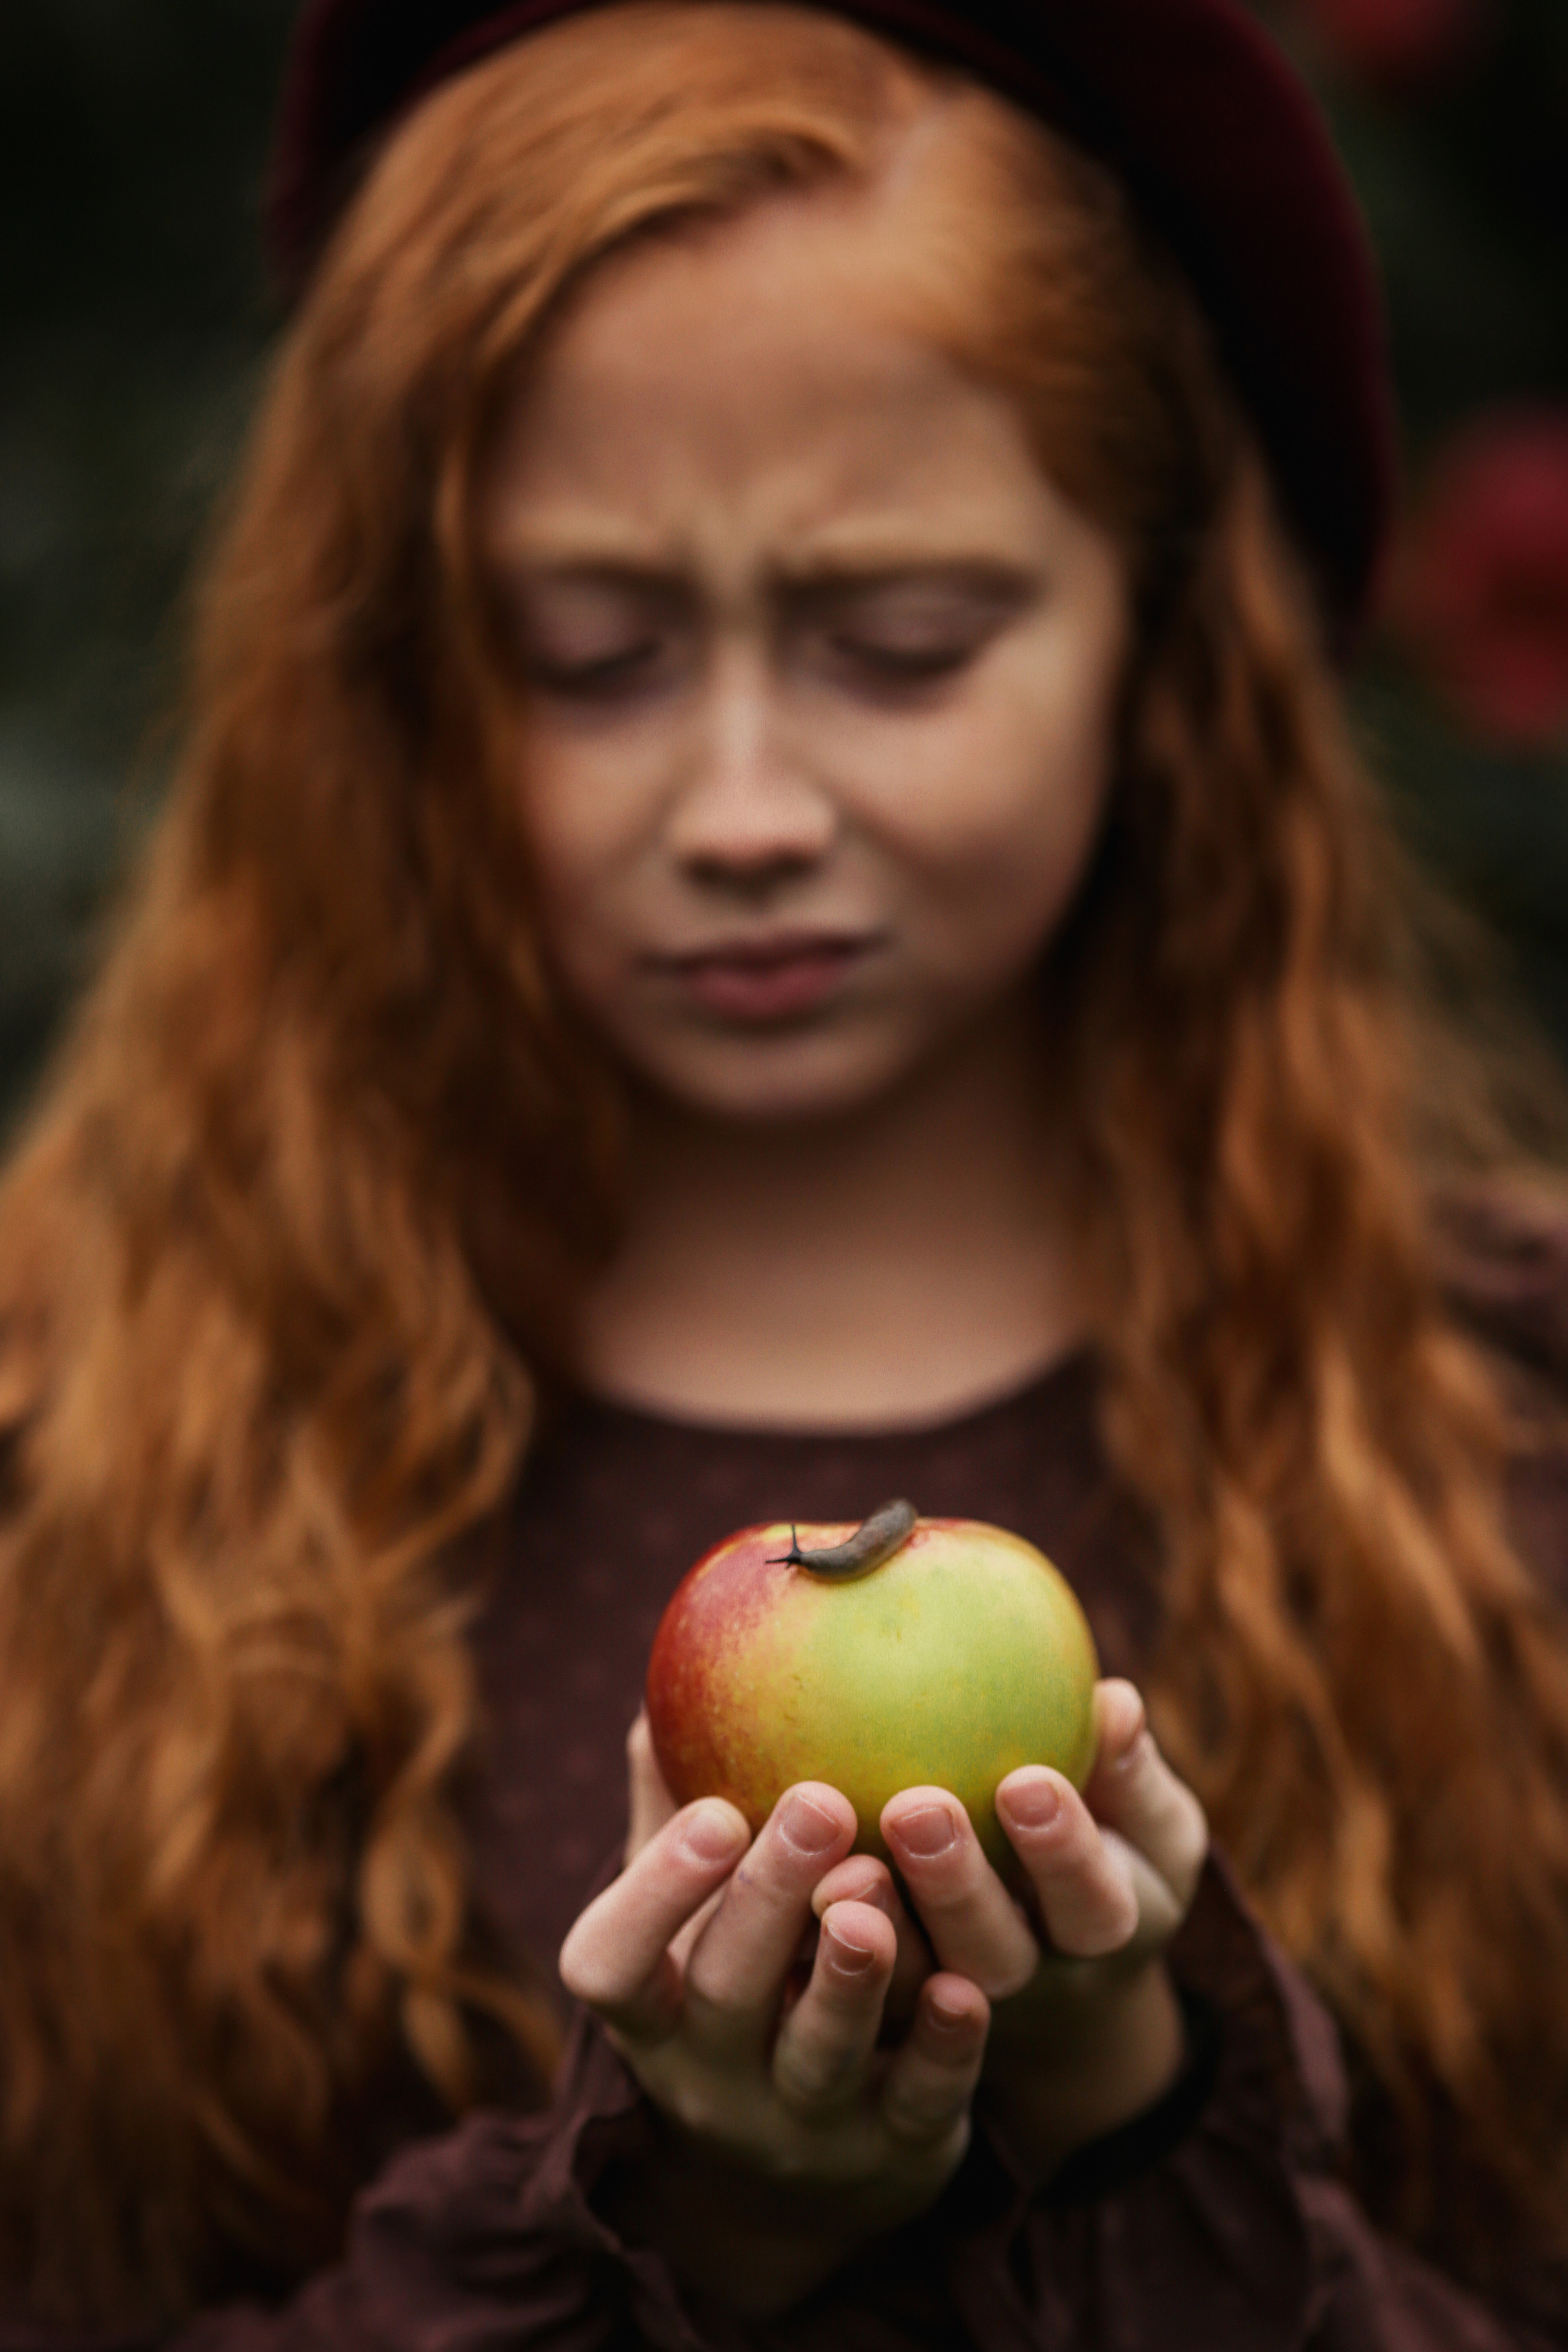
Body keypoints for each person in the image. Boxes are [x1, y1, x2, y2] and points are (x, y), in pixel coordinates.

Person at [0, 0, 1565, 2342]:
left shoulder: (1505, 1445)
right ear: (389, 680)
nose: (743, 808)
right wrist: (694, 2224)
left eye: (902, 647)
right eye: (591, 656)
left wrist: (1127, 2107)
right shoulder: (66, 1460)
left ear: (1164, 641)